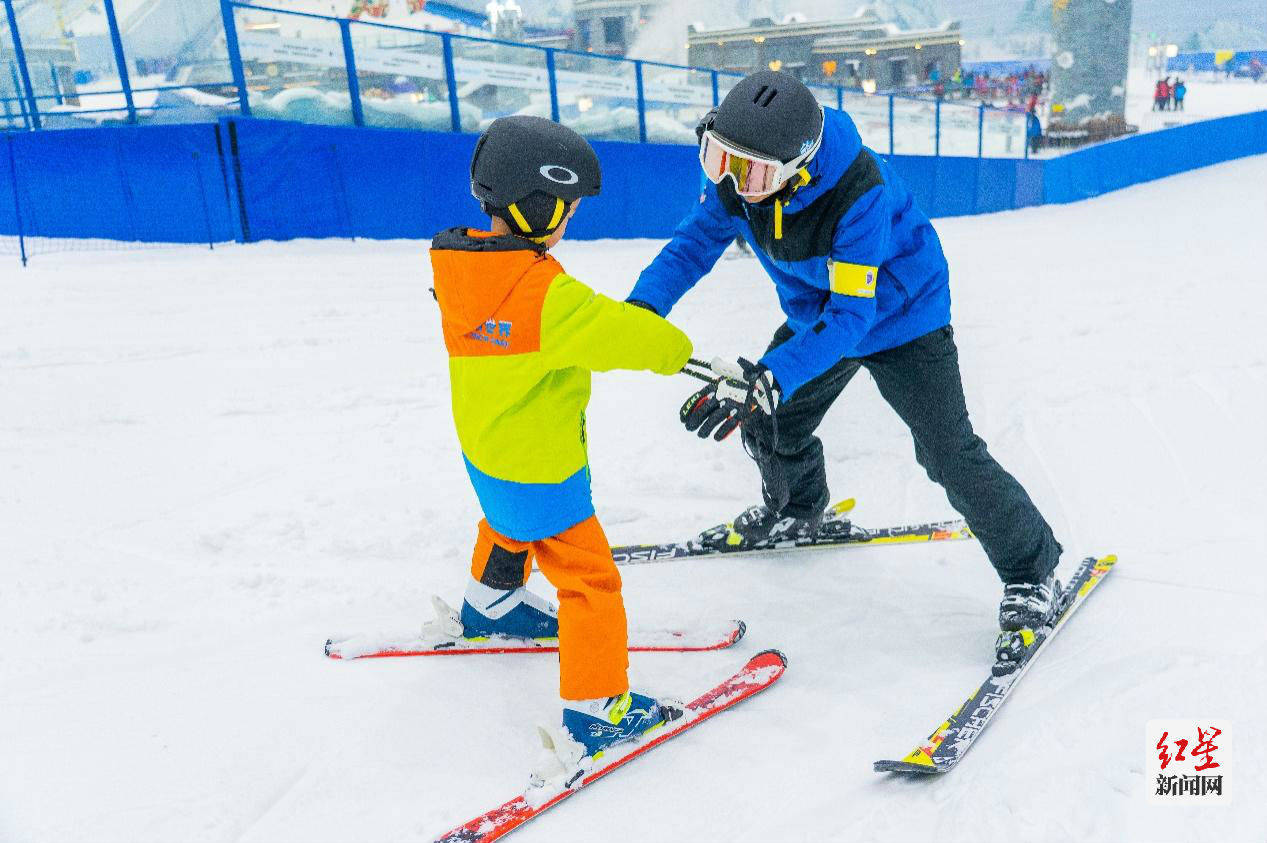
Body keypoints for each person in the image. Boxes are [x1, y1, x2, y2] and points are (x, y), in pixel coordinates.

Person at [625, 71, 1064, 673]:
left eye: (747, 172)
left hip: (902, 316)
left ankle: (1031, 571)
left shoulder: (860, 192)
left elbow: (852, 316)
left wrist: (770, 375)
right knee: (772, 418)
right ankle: (798, 510)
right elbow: (691, 246)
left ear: (798, 167)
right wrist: (639, 314)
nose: (730, 182)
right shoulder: (738, 184)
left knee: (948, 452)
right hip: (818, 315)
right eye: (718, 157)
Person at [429, 115, 693, 763]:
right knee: (588, 581)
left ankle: (488, 602)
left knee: (504, 519)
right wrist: (673, 346)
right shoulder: (546, 296)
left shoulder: (460, 267)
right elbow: (637, 339)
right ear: (539, 202)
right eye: (568, 208)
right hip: (545, 467)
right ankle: (598, 705)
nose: (569, 219)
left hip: (486, 448)